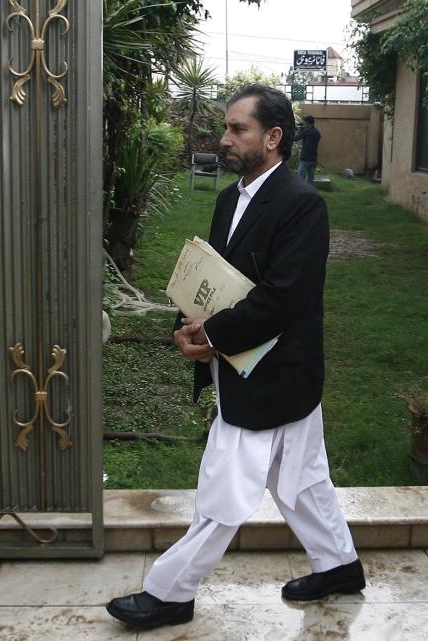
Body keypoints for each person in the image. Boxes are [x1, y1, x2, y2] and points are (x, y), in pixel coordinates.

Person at [106, 84, 364, 630]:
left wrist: (212, 336)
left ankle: (171, 591)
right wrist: (187, 328)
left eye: (237, 129)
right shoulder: (229, 199)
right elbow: (210, 282)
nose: (224, 138)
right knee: (303, 482)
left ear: (273, 138)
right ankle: (340, 567)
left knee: (224, 491)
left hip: (275, 378)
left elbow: (280, 298)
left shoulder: (302, 205)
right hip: (240, 365)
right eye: (226, 127)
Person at [294, 114, 321, 185]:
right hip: (314, 159)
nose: (304, 124)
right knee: (310, 180)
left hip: (305, 159)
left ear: (307, 122)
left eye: (305, 122)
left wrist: (299, 131)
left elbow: (295, 139)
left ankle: (300, 194)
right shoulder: (317, 132)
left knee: (300, 179)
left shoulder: (306, 131)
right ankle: (311, 194)